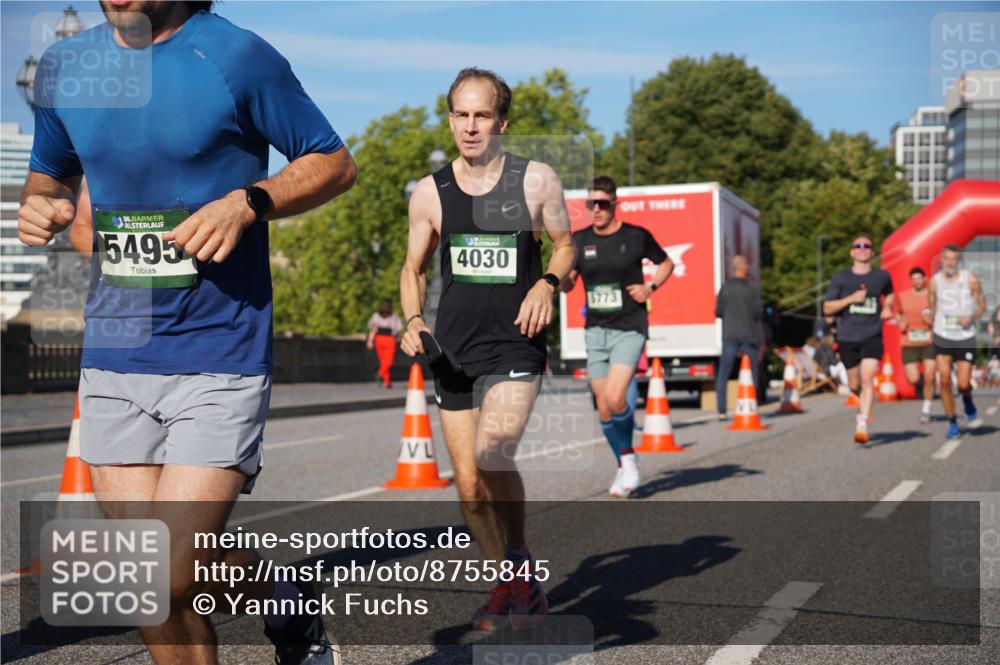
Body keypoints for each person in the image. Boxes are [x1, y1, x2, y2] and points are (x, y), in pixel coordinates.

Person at [19, 3, 356, 664]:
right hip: (116, 349)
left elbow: (333, 162)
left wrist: (249, 201)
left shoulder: (236, 56)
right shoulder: (66, 66)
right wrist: (43, 204)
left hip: (219, 349)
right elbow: (48, 174)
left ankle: (283, 601)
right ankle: (284, 598)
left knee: (174, 571)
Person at [399, 68, 575, 631]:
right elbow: (412, 269)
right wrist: (413, 318)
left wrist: (547, 284)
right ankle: (512, 585)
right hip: (453, 352)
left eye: (481, 115)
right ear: (450, 119)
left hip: (515, 344)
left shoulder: (536, 180)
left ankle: (519, 561)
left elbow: (565, 246)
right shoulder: (431, 192)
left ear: (502, 122)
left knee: (491, 453)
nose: (470, 126)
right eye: (461, 115)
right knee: (471, 490)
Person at [562, 175, 673, 497]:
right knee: (603, 408)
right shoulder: (580, 239)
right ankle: (626, 461)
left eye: (602, 204)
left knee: (614, 397)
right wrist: (562, 279)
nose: (596, 209)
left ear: (615, 204)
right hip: (595, 330)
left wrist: (650, 287)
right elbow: (568, 283)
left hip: (629, 327)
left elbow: (666, 263)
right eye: (591, 204)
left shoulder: (636, 236)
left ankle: (627, 462)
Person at [822, 235, 894, 444]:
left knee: (867, 379)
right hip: (847, 336)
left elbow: (890, 294)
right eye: (858, 246)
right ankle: (864, 402)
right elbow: (827, 308)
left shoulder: (881, 277)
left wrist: (888, 307)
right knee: (854, 383)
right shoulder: (841, 278)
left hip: (872, 334)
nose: (863, 249)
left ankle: (862, 424)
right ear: (852, 252)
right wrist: (851, 299)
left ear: (872, 252)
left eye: (867, 246)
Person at [927, 244, 986, 439]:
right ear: (941, 260)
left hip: (965, 336)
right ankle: (952, 422)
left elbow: (982, 306)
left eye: (954, 259)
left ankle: (967, 397)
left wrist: (971, 316)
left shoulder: (970, 279)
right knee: (944, 380)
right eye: (947, 258)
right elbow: (931, 306)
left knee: (962, 384)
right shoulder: (934, 281)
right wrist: (930, 318)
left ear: (958, 261)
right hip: (942, 335)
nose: (950, 263)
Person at [714, 256, 763, 421]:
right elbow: (759, 313)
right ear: (744, 268)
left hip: (730, 335)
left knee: (724, 373)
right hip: (748, 335)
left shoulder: (725, 288)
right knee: (752, 373)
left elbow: (718, 312)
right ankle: (751, 406)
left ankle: (722, 410)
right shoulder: (751, 288)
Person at [894, 267, 936, 424]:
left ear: (925, 279)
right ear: (910, 280)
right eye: (914, 279)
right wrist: (900, 321)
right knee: (913, 378)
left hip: (929, 341)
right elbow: (897, 312)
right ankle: (922, 383)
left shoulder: (933, 297)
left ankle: (926, 410)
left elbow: (942, 315)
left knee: (930, 375)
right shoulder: (902, 296)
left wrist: (931, 320)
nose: (917, 281)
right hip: (909, 341)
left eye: (919, 278)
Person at [366, 298, 402, 388]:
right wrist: (370, 340)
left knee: (386, 361)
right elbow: (398, 329)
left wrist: (370, 340)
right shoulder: (381, 316)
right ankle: (384, 379)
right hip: (384, 339)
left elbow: (373, 329)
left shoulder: (391, 317)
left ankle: (383, 377)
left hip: (384, 339)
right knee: (385, 361)